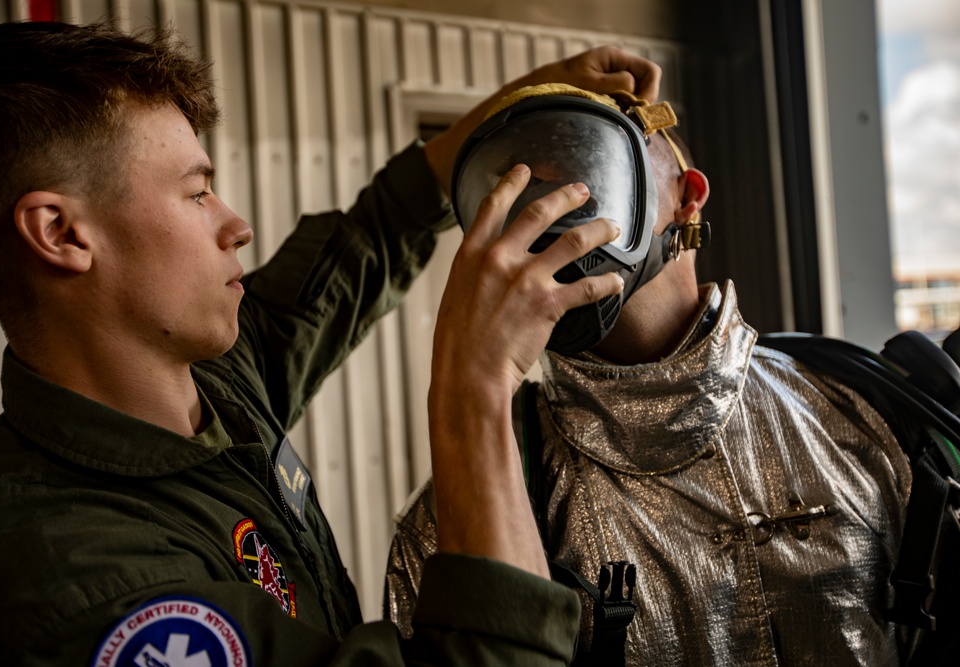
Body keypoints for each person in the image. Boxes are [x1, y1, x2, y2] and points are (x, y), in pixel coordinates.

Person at [0, 20, 661, 666]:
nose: (236, 225)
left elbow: (369, 238)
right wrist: (473, 386)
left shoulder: (215, 380)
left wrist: (525, 102)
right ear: (61, 233)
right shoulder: (74, 579)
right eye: (197, 192)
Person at [385, 85, 912, 665]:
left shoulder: (861, 416)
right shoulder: (460, 515)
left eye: (587, 179)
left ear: (688, 199)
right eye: (520, 197)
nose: (552, 219)